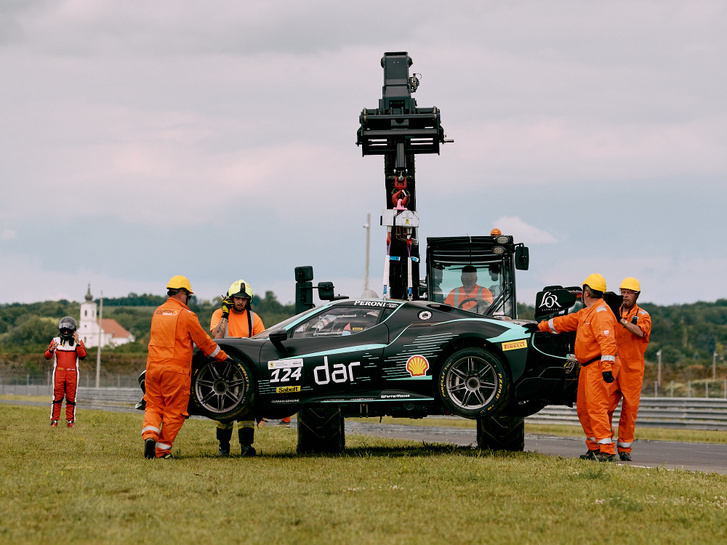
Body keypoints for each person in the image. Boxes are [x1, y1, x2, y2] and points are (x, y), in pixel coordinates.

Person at [530, 274, 618, 462]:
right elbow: (565, 322)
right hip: (587, 367)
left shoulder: (601, 313)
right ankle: (595, 447)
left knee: (596, 408)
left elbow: (607, 341)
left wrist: (607, 367)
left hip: (598, 366)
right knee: (584, 409)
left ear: (586, 292)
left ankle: (607, 451)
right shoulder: (587, 312)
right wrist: (540, 326)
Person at [142, 275, 229, 459]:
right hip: (175, 371)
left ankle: (150, 435)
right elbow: (205, 342)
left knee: (153, 405)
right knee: (175, 411)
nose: (188, 299)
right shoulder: (186, 315)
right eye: (188, 296)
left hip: (153, 369)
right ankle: (161, 451)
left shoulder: (157, 312)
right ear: (182, 294)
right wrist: (223, 357)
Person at [209, 279, 269, 457]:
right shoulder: (219, 314)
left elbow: (262, 343)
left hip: (246, 371)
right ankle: (223, 447)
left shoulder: (253, 318)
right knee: (225, 409)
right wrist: (225, 316)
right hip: (224, 370)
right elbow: (217, 336)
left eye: (244, 298)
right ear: (230, 299)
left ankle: (246, 446)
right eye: (237, 298)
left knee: (247, 409)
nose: (241, 302)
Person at [608, 277, 652, 461]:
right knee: (604, 408)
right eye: (623, 292)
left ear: (637, 295)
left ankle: (625, 449)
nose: (625, 296)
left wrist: (622, 321)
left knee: (629, 410)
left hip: (632, 370)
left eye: (629, 293)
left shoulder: (643, 315)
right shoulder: (611, 312)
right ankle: (604, 446)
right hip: (612, 368)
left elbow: (641, 332)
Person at [45, 316, 87, 428]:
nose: (66, 332)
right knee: (57, 397)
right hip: (59, 373)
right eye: (64, 330)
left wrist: (77, 343)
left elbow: (83, 356)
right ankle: (54, 421)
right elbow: (47, 356)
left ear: (73, 331)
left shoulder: (79, 341)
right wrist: (51, 350)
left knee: (71, 398)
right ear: (61, 330)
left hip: (73, 374)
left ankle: (70, 421)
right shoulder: (55, 341)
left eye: (69, 330)